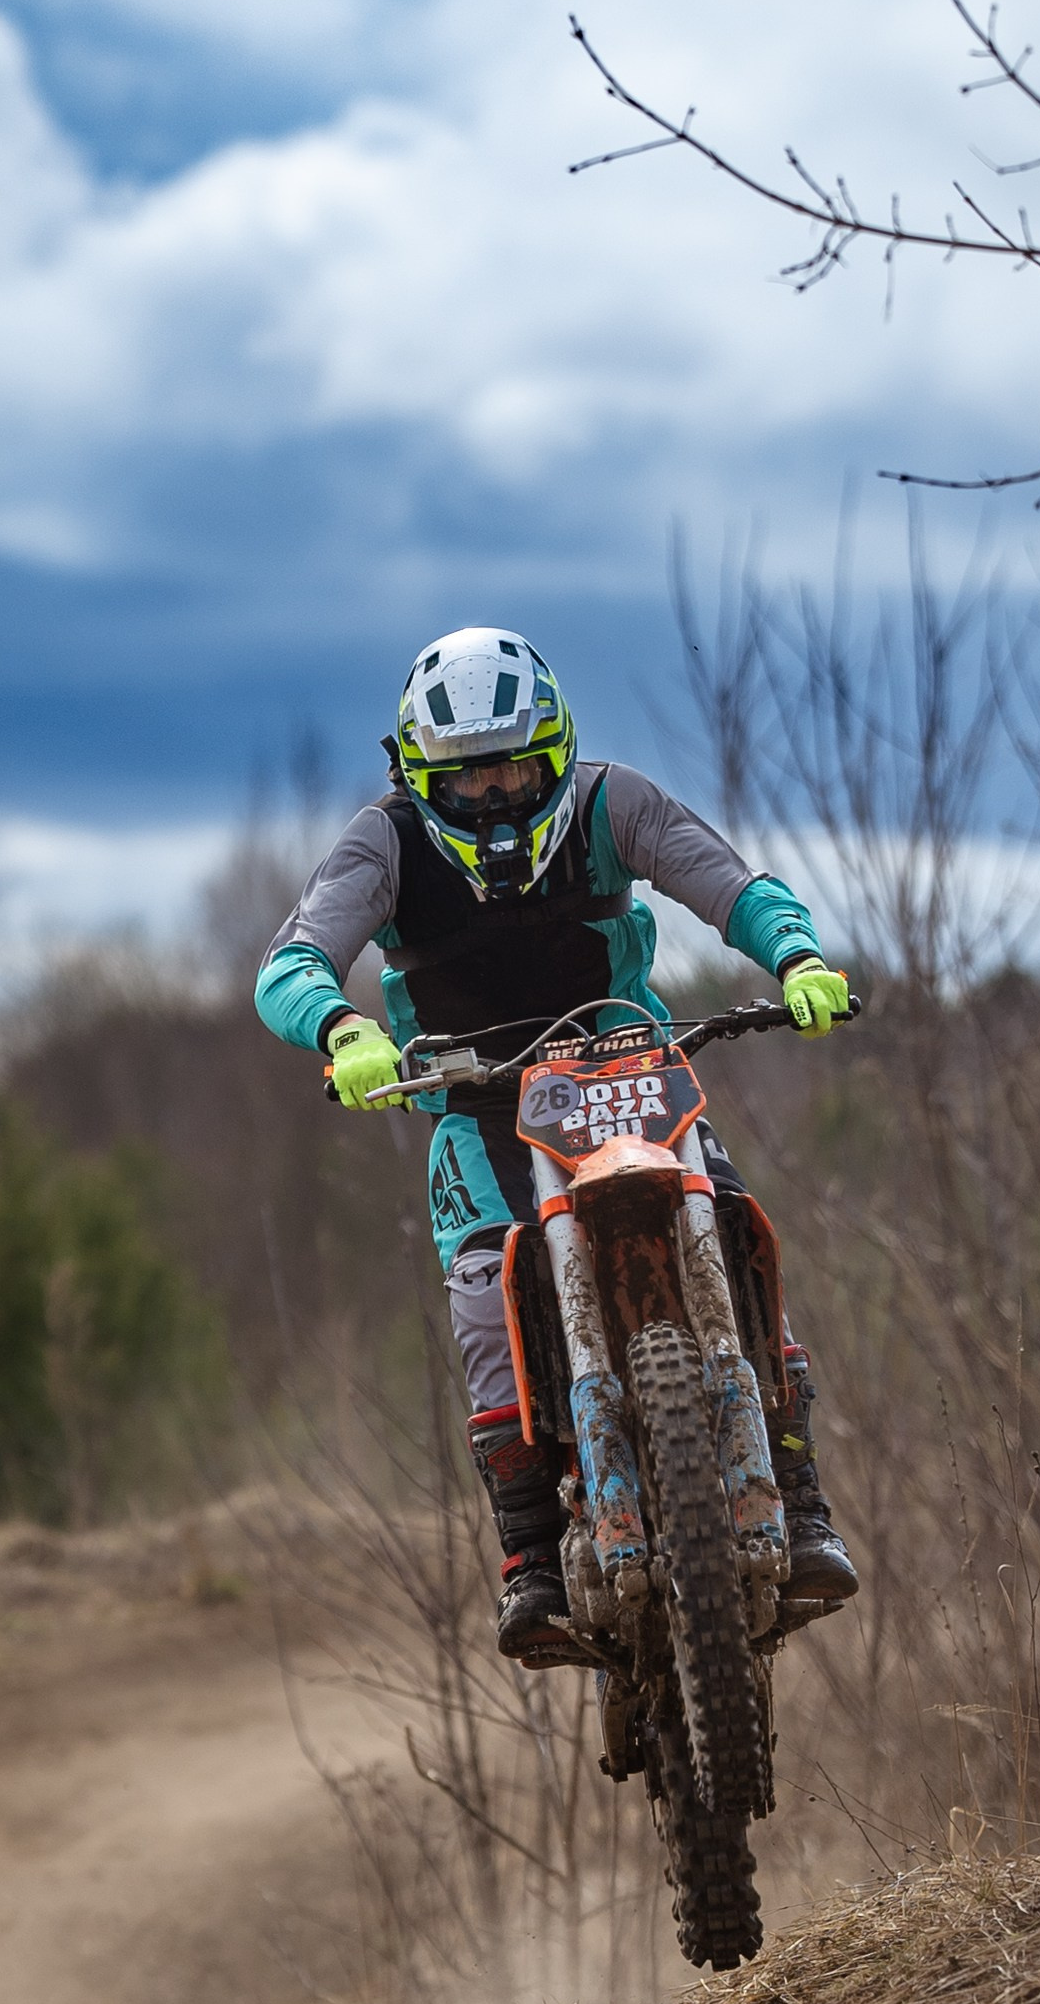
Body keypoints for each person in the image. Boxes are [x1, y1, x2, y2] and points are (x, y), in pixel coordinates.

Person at [255, 627, 861, 1664]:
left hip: (627, 1065)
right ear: (415, 776)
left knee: (731, 1222)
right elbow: (292, 960)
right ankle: (531, 1553)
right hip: (475, 1097)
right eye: (465, 779)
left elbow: (729, 884)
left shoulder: (611, 802)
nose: (492, 796)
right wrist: (343, 1028)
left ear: (556, 750)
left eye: (513, 769)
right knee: (488, 1284)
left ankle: (796, 1496)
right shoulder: (384, 842)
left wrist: (796, 954)